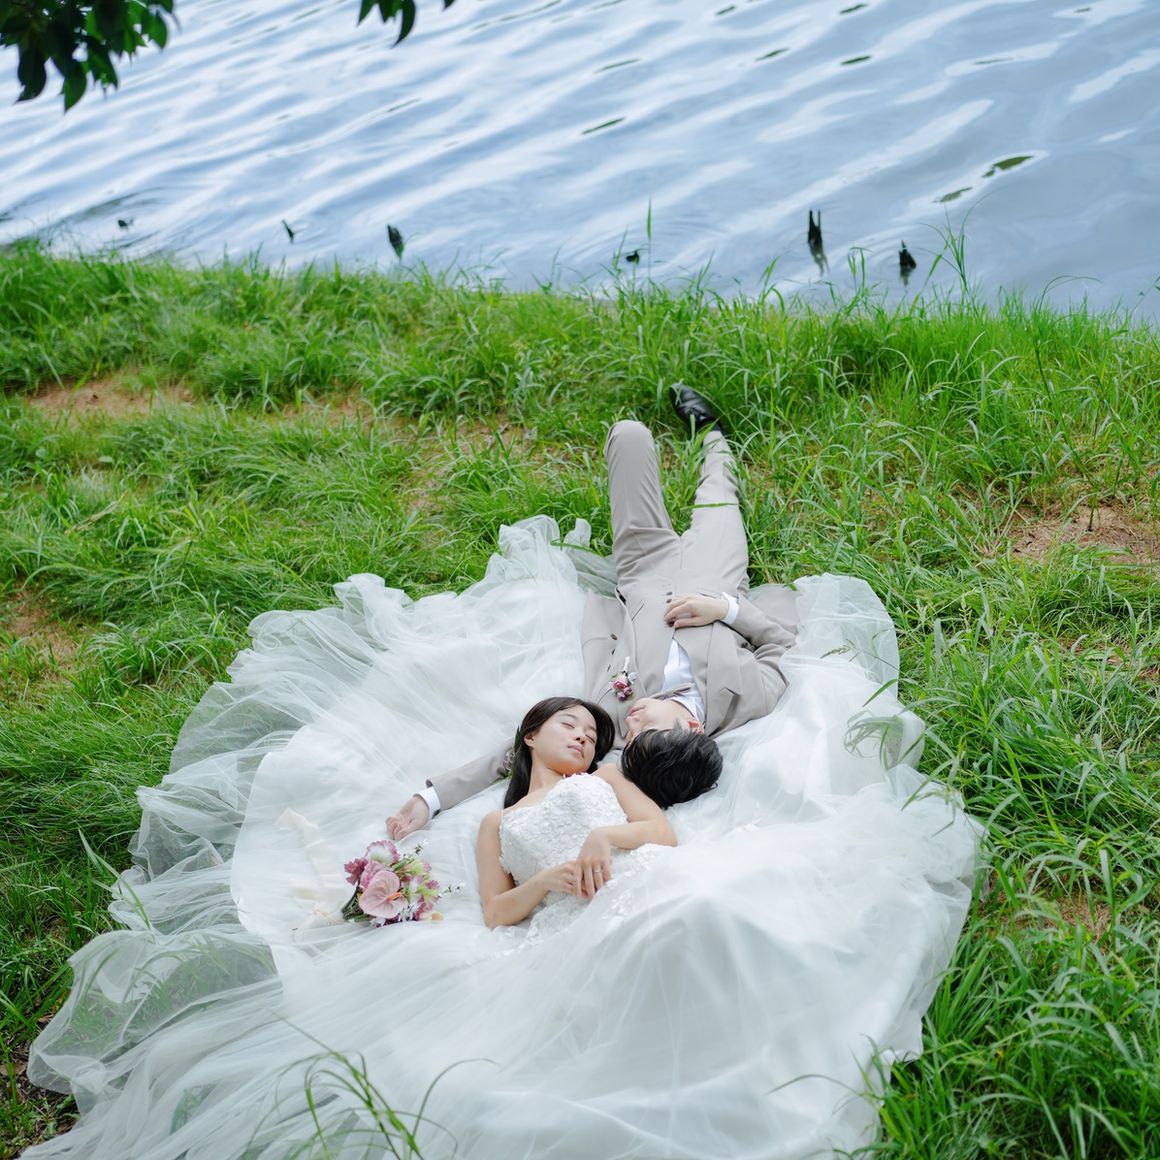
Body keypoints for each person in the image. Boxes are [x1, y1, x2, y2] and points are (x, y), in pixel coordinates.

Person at [388, 385, 797, 838]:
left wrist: (433, 797)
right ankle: (713, 434)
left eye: (631, 734)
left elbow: (524, 747)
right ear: (693, 726)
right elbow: (779, 643)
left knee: (627, 436)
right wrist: (726, 609)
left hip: (643, 565)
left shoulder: (611, 720)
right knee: (719, 492)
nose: (633, 720)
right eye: (644, 728)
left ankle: (694, 437)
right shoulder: (747, 700)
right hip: (716, 571)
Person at [477, 696, 677, 929]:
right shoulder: (496, 822)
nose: (581, 737)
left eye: (590, 738)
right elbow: (494, 914)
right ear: (531, 737)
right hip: (575, 926)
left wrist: (604, 836)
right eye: (568, 725)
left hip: (643, 885)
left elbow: (663, 832)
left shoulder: (606, 776)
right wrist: (543, 882)